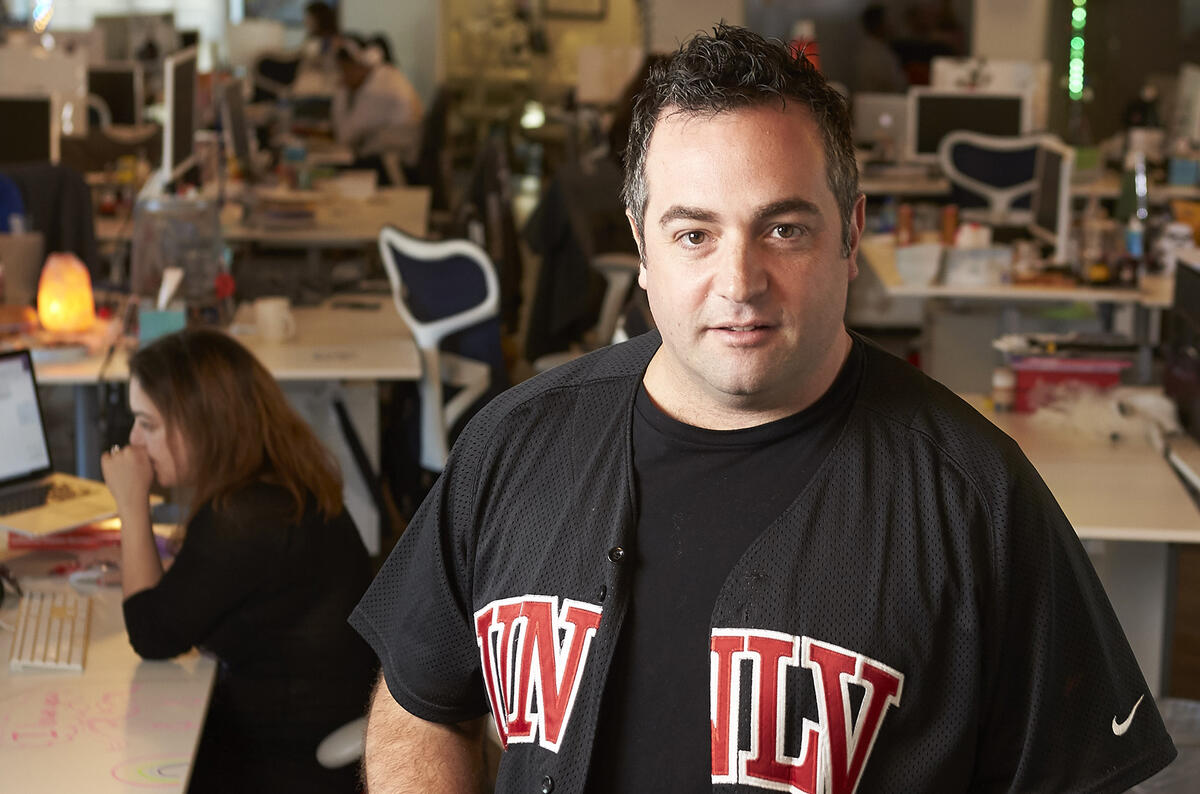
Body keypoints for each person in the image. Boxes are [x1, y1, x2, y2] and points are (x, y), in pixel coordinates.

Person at [349, 24, 1177, 793]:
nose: (739, 283)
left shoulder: (975, 501)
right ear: (641, 246)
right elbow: (423, 699)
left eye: (783, 229)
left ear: (851, 236)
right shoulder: (514, 445)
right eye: (694, 235)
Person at [101, 329, 377, 793]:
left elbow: (152, 633)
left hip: (284, 757)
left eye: (147, 424)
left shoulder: (242, 517)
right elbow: (204, 591)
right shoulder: (276, 483)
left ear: (198, 423)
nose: (134, 441)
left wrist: (131, 507)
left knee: (124, 755)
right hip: (305, 718)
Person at [331, 42, 423, 185]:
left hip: (393, 167)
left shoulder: (376, 90)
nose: (341, 76)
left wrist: (341, 91)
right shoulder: (385, 76)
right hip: (394, 158)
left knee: (328, 172)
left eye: (344, 70)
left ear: (361, 64)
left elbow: (345, 136)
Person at [856, 4, 908, 94]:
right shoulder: (872, 54)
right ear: (879, 25)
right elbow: (893, 84)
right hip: (881, 103)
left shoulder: (882, 48)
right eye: (888, 21)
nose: (892, 25)